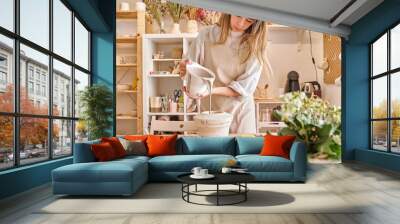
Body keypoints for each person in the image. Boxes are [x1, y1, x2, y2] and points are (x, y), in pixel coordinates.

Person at [179, 14, 267, 134]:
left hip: (240, 113)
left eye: (249, 20)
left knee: (241, 151)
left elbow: (243, 88)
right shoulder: (206, 35)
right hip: (210, 110)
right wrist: (185, 70)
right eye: (238, 15)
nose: (240, 23)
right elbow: (191, 70)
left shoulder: (255, 45)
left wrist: (210, 90)